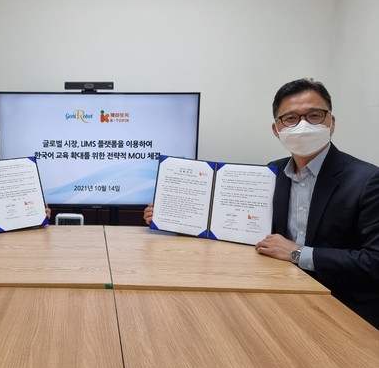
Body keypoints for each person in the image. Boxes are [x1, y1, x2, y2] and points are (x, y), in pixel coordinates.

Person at [144, 78, 379, 329]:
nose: (303, 125)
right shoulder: (271, 173)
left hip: (343, 308)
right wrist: (171, 216)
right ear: (276, 129)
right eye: (291, 118)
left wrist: (297, 253)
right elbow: (237, 225)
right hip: (278, 294)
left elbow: (374, 262)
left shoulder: (368, 180)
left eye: (314, 115)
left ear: (331, 122)